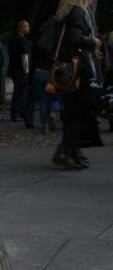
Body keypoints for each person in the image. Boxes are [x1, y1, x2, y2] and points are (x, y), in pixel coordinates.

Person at [51, 0, 103, 169]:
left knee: (73, 111)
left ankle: (70, 150)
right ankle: (67, 151)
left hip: (68, 70)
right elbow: (75, 38)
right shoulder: (78, 11)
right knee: (81, 111)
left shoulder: (63, 13)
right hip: (79, 71)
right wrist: (93, 43)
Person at [25, 17, 60, 134]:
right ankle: (53, 113)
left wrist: (31, 74)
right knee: (54, 97)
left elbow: (32, 60)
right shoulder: (57, 42)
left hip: (39, 72)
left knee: (43, 99)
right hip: (52, 72)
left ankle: (44, 123)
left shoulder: (38, 41)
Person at [8, 21, 32, 124]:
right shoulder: (22, 41)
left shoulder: (13, 40)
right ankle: (17, 114)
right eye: (26, 27)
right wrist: (27, 70)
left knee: (18, 92)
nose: (28, 28)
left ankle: (18, 113)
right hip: (21, 70)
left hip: (14, 69)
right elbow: (24, 56)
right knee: (20, 93)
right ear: (21, 28)